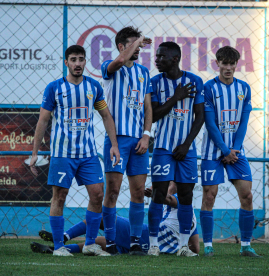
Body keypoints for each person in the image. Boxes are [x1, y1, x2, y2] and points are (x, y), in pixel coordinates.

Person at [30, 45, 120, 257]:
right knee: (59, 196)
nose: (78, 63)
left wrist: (114, 145)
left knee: (98, 194)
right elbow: (43, 120)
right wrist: (35, 153)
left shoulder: (93, 87)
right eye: (73, 60)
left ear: (85, 62)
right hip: (62, 154)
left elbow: (106, 116)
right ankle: (59, 247)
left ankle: (90, 244)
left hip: (88, 154)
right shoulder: (54, 88)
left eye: (81, 59)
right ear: (66, 63)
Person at [200, 46, 260, 257]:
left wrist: (234, 148)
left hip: (236, 151)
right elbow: (210, 123)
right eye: (224, 63)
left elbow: (244, 121)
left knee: (247, 195)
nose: (228, 67)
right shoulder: (209, 88)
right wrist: (225, 150)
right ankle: (208, 245)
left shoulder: (244, 87)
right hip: (212, 152)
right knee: (209, 196)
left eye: (231, 63)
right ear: (217, 64)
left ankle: (245, 246)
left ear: (237, 64)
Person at [31, 182, 200, 255]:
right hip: (149, 245)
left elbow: (169, 199)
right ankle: (58, 249)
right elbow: (196, 248)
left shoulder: (180, 201)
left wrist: (158, 193)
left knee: (104, 217)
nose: (168, 185)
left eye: (170, 183)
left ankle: (62, 238)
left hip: (146, 236)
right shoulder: (190, 216)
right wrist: (173, 247)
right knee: (100, 242)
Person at [148, 41, 204, 257]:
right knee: (159, 194)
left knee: (186, 194)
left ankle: (183, 246)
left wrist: (187, 144)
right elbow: (154, 115)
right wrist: (176, 97)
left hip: (186, 150)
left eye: (162, 56)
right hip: (163, 147)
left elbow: (199, 117)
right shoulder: (154, 83)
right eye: (156, 56)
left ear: (175, 59)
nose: (157, 60)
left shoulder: (195, 81)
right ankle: (153, 245)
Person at [100, 26, 153, 256]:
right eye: (135, 44)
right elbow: (120, 60)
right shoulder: (110, 68)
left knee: (138, 192)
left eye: (140, 45)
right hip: (117, 140)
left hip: (138, 142)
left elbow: (148, 107)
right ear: (122, 46)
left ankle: (134, 243)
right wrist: (139, 39)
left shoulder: (143, 72)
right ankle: (110, 242)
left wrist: (146, 134)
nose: (139, 49)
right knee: (112, 191)